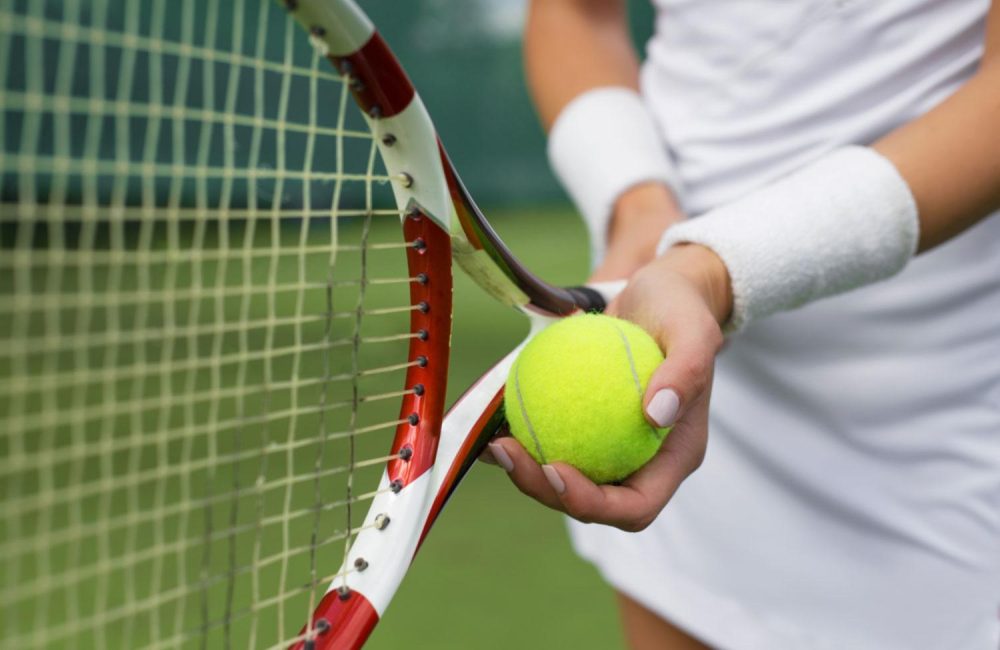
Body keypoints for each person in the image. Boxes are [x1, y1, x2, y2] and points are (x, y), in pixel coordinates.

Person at [484, 1, 1000, 648]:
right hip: (670, 377)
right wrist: (635, 201)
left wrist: (713, 270)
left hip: (931, 408)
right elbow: (576, 14)